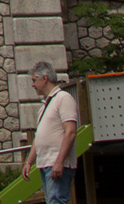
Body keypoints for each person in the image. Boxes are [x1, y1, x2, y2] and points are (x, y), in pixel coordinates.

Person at [21, 61, 79, 204]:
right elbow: (38, 136)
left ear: (44, 78)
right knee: (51, 200)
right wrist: (29, 162)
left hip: (57, 162)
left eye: (34, 80)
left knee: (56, 201)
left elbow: (70, 132)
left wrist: (59, 162)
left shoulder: (63, 98)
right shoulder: (45, 105)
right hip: (45, 162)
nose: (32, 85)